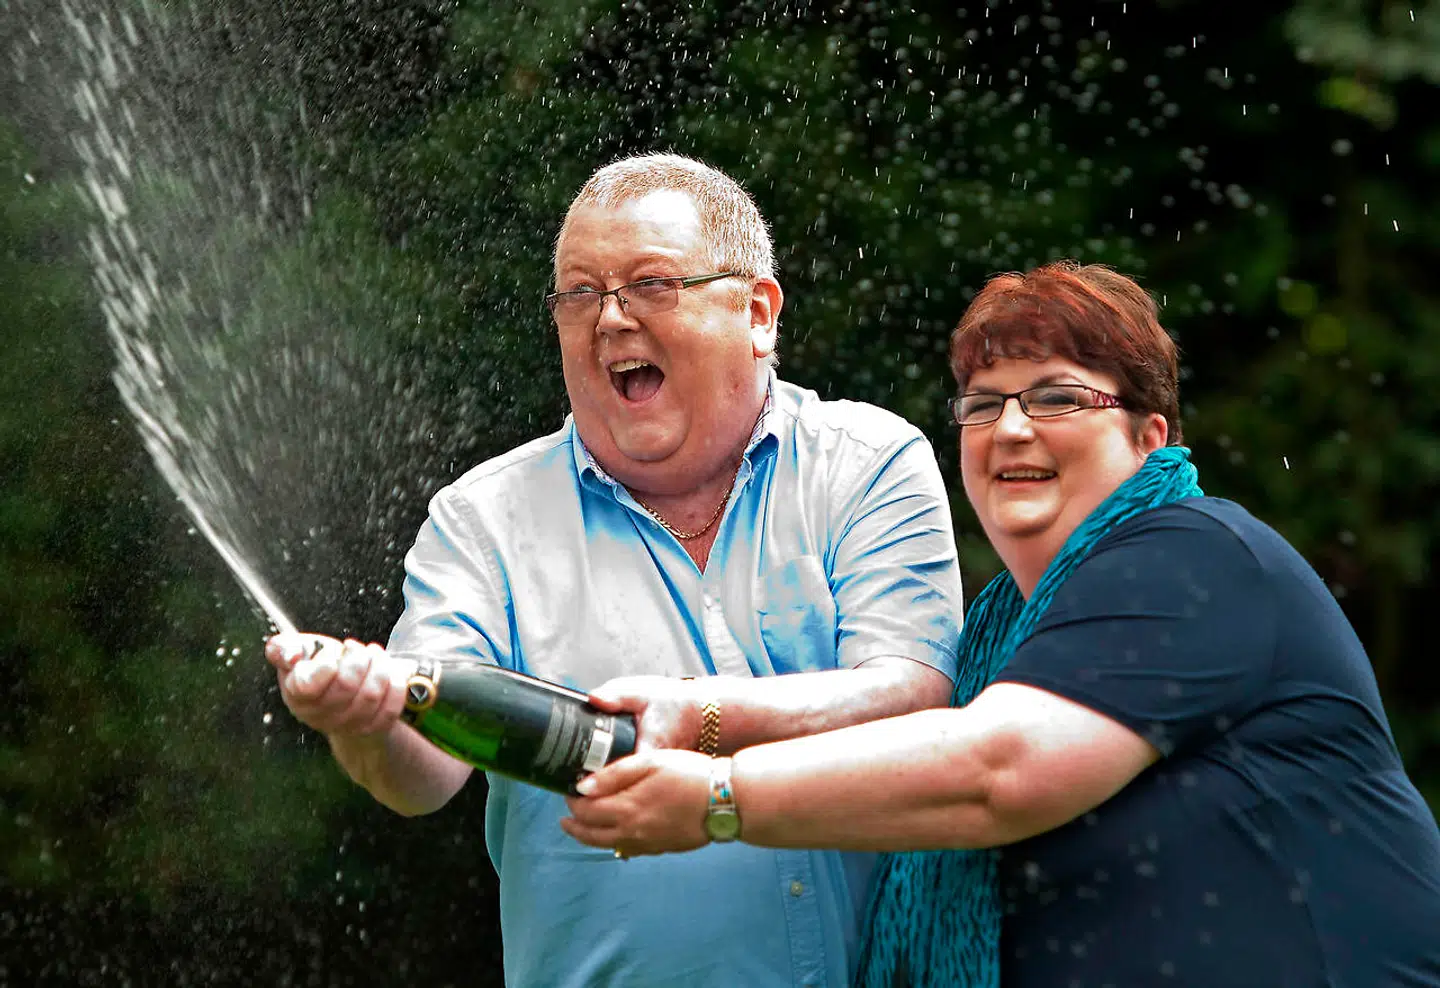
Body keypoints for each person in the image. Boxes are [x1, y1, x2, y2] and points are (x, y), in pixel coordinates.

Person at [562, 261, 1440, 987]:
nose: (1010, 429)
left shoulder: (1194, 552)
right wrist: (700, 715)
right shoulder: (1002, 635)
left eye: (1057, 398)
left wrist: (717, 801)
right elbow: (920, 751)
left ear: (1149, 438)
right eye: (983, 404)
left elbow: (996, 771)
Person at [264, 153, 965, 988]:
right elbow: (422, 777)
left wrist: (697, 717)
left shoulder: (869, 462)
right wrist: (364, 718)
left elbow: (911, 697)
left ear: (758, 313)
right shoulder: (483, 519)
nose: (609, 320)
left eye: (651, 285)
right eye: (579, 294)